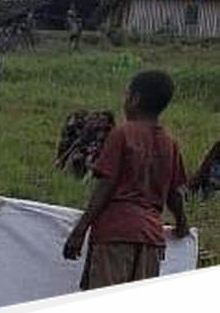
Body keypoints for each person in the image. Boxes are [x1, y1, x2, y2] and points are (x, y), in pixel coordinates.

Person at [62, 71, 191, 290]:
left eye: (127, 94)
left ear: (135, 99)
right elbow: (174, 194)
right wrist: (182, 223)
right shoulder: (170, 143)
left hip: (114, 234)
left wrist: (80, 230)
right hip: (151, 240)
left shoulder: (122, 134)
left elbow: (106, 186)